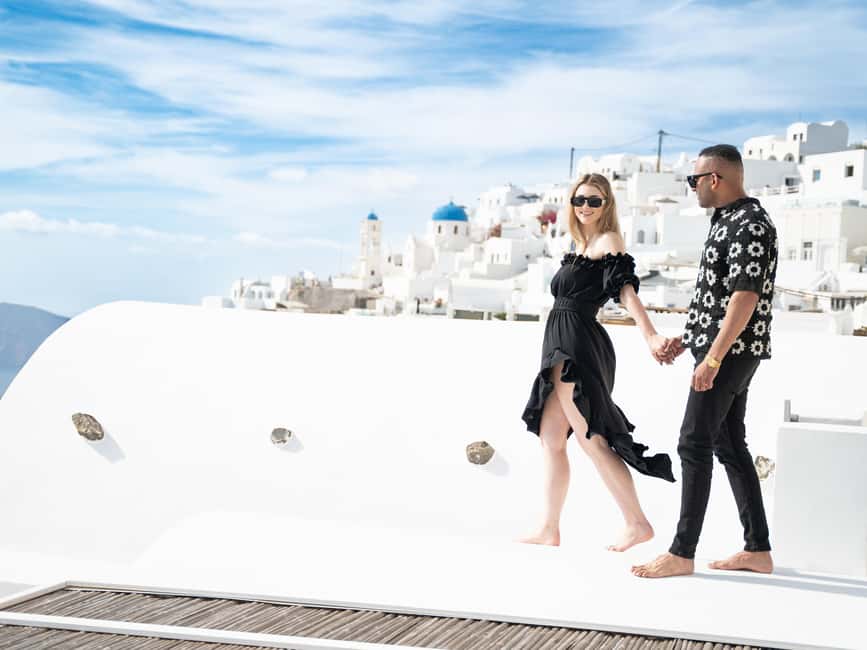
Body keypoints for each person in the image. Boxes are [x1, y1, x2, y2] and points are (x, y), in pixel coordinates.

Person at [632, 145, 778, 578]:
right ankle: (758, 549)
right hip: (722, 348)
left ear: (714, 178)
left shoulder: (750, 224)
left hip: (731, 354)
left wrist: (713, 358)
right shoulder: (726, 220)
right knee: (729, 445)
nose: (692, 187)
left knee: (693, 443)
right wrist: (691, 338)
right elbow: (719, 296)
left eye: (694, 180)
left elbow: (745, 297)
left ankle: (682, 553)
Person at [520, 172, 676, 553]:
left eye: (594, 200)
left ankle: (637, 523)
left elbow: (625, 292)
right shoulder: (581, 244)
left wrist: (651, 335)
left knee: (591, 438)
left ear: (607, 205)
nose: (585, 206)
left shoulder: (608, 241)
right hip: (560, 341)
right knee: (552, 438)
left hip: (576, 344)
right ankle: (549, 528)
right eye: (579, 200)